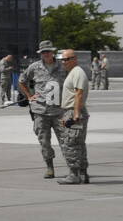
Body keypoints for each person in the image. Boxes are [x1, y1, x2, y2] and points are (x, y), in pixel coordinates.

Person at [18, 40, 66, 179]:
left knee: (66, 140)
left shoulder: (63, 67)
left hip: (59, 112)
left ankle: (73, 166)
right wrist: (29, 96)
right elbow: (22, 80)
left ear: (53, 52)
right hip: (41, 111)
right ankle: (49, 167)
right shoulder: (35, 67)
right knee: (44, 141)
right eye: (43, 52)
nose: (46, 54)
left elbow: (72, 83)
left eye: (48, 51)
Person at [55, 49, 91, 184]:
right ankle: (82, 173)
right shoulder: (73, 72)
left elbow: (79, 93)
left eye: (66, 59)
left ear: (74, 59)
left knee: (70, 143)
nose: (63, 62)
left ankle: (74, 174)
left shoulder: (77, 72)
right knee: (79, 143)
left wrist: (75, 114)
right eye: (62, 60)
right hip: (72, 111)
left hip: (73, 111)